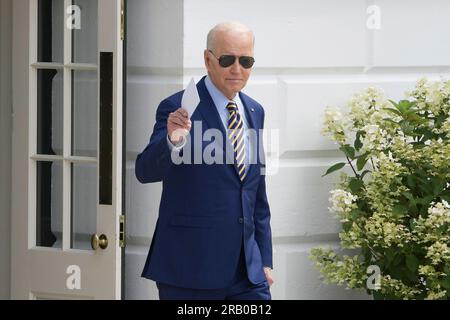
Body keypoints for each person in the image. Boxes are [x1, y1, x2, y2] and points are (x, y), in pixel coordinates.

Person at [135, 21, 273, 300]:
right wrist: (173, 141)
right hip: (190, 269)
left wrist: (264, 259)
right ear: (208, 60)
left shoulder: (255, 110)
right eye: (227, 59)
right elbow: (144, 170)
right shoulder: (179, 107)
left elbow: (256, 193)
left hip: (247, 274)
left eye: (245, 61)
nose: (237, 69)